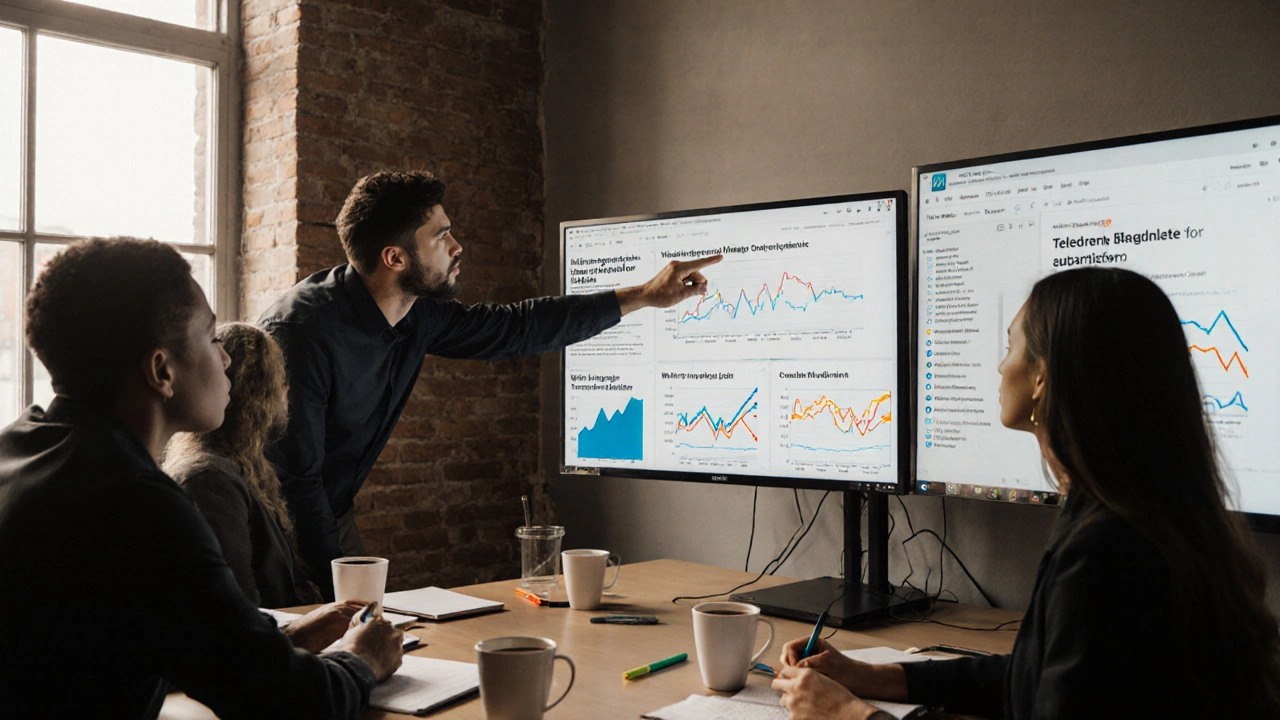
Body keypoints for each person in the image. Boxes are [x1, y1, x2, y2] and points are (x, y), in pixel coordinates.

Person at [772, 267, 1280, 719]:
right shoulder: (1144, 515)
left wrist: (849, 715)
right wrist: (874, 677)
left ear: (1042, 377)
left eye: (1010, 346)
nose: (1000, 367)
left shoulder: (1107, 552)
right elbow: (1034, 678)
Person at [259, 170, 721, 595]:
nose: (457, 246)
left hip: (328, 509)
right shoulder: (301, 334)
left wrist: (643, 295)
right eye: (441, 237)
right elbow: (294, 481)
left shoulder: (418, 311)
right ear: (395, 257)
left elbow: (517, 328)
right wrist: (336, 589)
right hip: (267, 522)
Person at [0, 238, 403, 719]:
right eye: (213, 338)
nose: (227, 359)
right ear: (161, 370)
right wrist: (361, 659)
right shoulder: (139, 505)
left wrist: (279, 639)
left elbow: (127, 641)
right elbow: (289, 703)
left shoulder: (19, 446)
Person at [164, 322, 324, 609]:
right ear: (260, 393)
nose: (286, 391)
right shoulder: (209, 479)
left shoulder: (247, 467)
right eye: (279, 380)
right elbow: (235, 614)